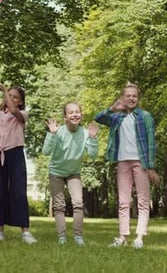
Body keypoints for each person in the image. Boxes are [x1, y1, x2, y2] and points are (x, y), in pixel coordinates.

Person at [94, 82, 156, 249]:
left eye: (134, 96)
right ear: (123, 97)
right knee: (123, 201)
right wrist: (113, 108)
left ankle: (139, 237)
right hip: (122, 161)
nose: (131, 98)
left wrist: (150, 166)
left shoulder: (145, 116)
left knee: (143, 200)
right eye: (127, 95)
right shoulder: (117, 117)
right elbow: (98, 118)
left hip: (140, 162)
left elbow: (151, 142)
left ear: (138, 98)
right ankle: (122, 236)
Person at [0, 79, 37, 244]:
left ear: (20, 102)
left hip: (15, 154)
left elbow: (13, 110)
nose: (10, 98)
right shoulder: (0, 115)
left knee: (18, 192)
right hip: (0, 154)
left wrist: (5, 89)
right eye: (9, 96)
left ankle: (25, 232)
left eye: (14, 97)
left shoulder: (22, 115)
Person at [42, 102, 98, 245]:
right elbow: (46, 152)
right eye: (71, 112)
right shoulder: (58, 131)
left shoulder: (85, 133)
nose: (74, 114)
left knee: (78, 202)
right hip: (56, 172)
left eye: (77, 112)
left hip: (74, 172)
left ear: (81, 115)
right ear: (65, 117)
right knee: (59, 205)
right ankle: (62, 237)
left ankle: (78, 237)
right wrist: (52, 134)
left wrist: (92, 138)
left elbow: (92, 155)